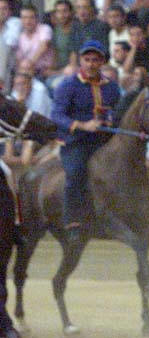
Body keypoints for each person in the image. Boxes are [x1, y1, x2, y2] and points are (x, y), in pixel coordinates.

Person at [49, 39, 119, 237]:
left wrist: (109, 122)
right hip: (75, 142)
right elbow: (57, 115)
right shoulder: (68, 85)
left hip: (102, 140)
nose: (90, 64)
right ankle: (72, 220)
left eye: (95, 60)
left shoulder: (112, 87)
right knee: (76, 173)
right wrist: (83, 125)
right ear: (81, 60)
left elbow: (116, 112)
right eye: (87, 59)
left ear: (102, 62)